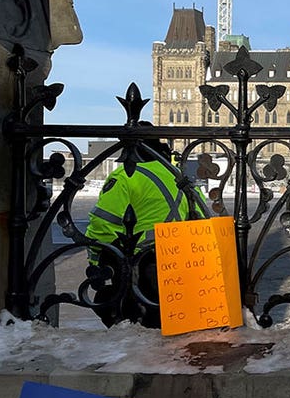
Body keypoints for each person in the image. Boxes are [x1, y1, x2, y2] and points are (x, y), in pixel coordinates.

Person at [85, 134, 209, 327]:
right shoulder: (178, 174)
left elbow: (103, 223)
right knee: (175, 323)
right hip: (182, 262)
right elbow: (201, 213)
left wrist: (97, 260)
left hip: (140, 263)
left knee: (131, 315)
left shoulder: (127, 174)